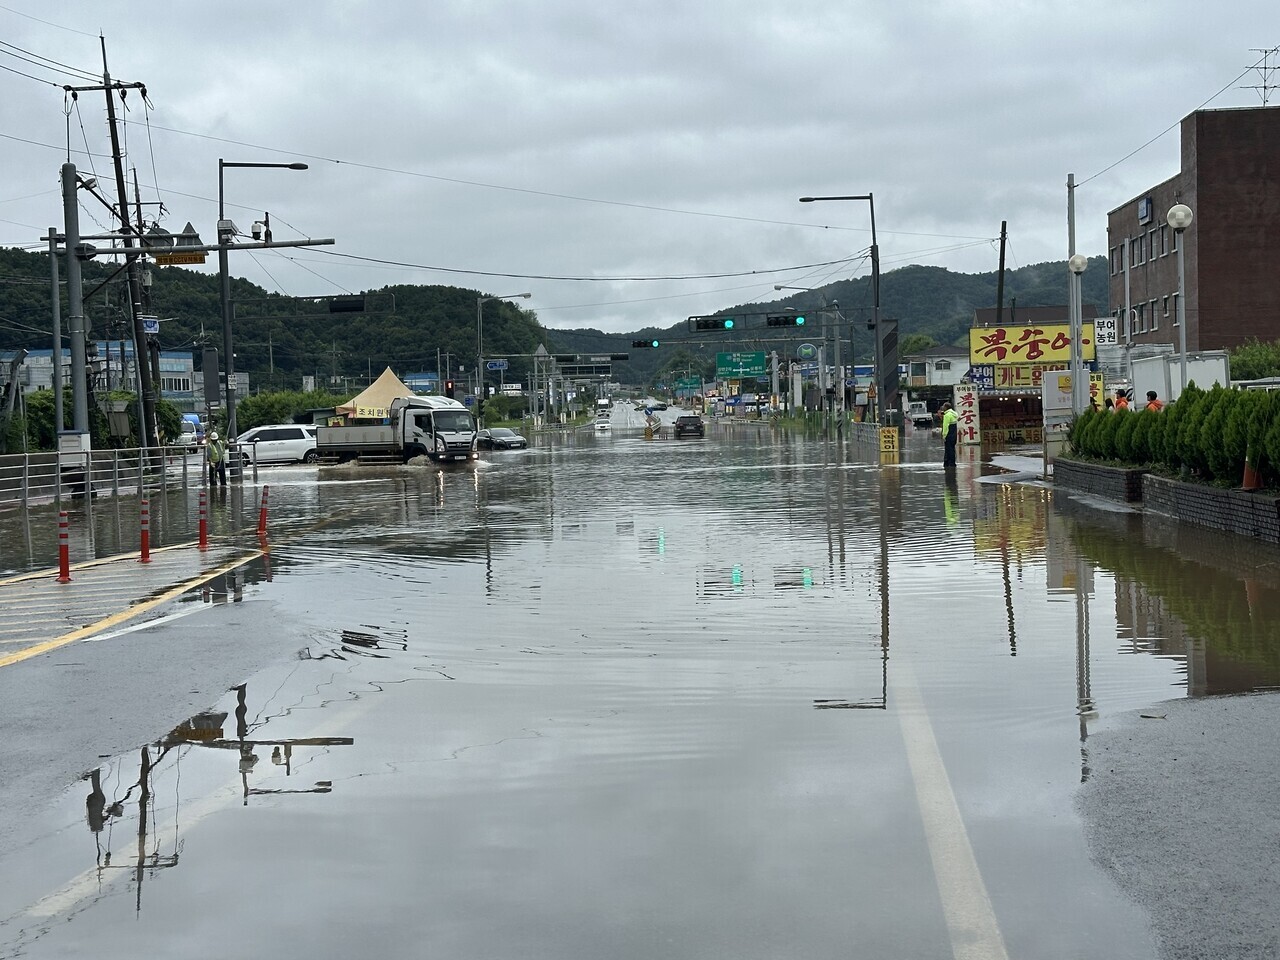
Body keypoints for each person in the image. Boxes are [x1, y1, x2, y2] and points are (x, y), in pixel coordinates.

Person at [941, 401, 958, 468]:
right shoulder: (954, 414)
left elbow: (945, 426)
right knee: (952, 449)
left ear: (946, 407)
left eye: (943, 406)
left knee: (948, 449)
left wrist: (944, 435)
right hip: (954, 434)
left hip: (949, 434)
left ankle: (948, 463)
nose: (942, 407)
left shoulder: (947, 415)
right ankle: (952, 463)